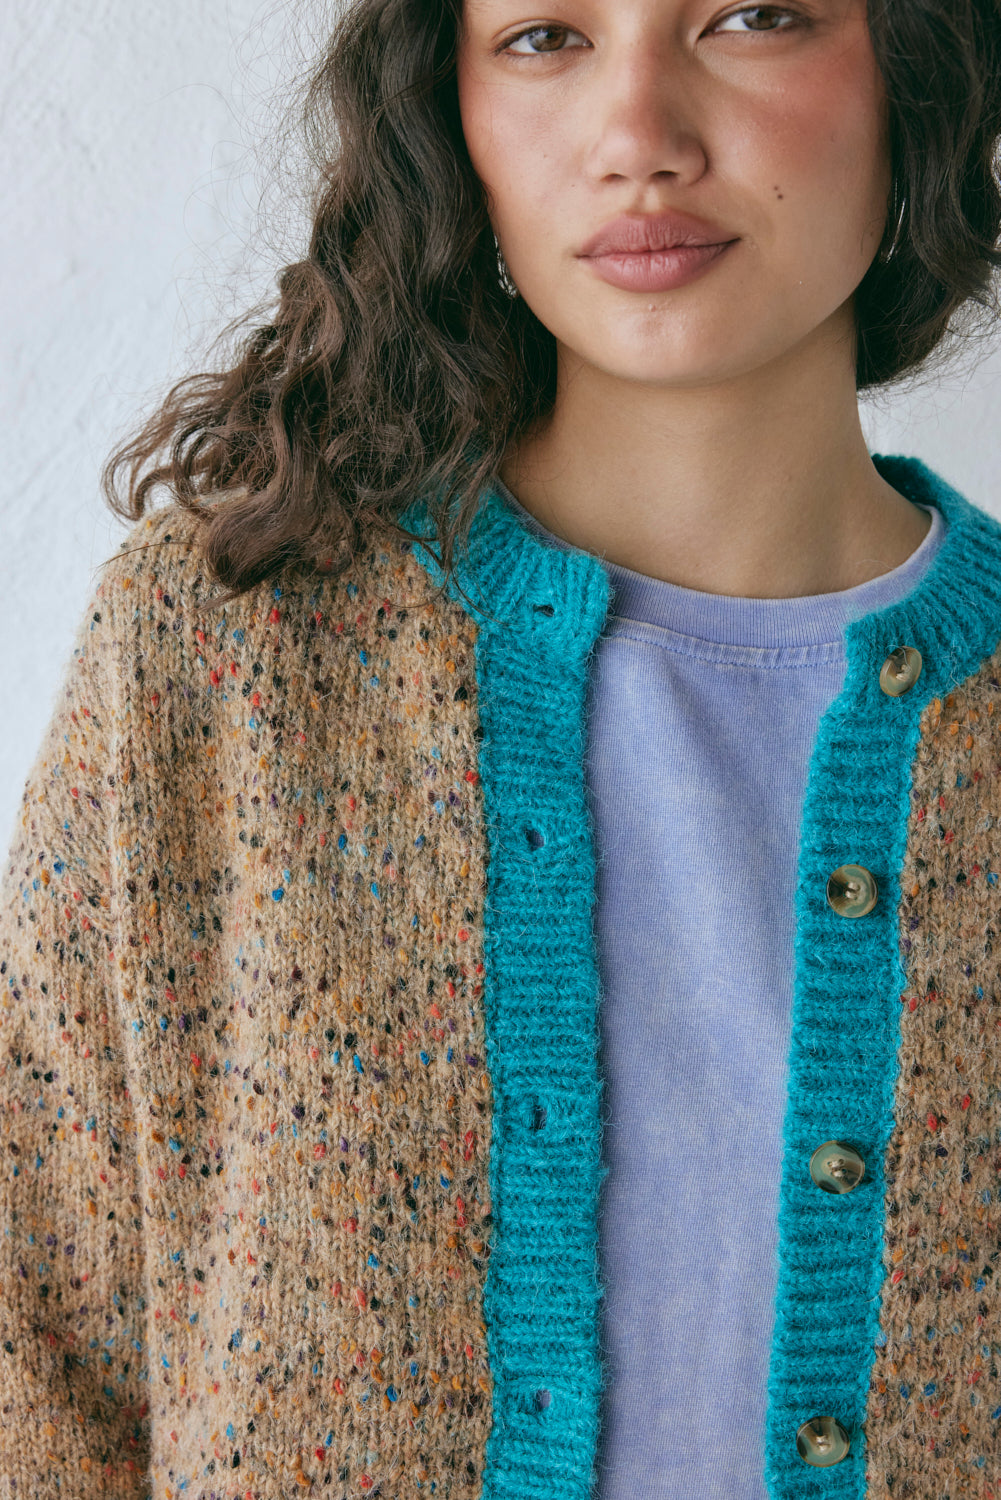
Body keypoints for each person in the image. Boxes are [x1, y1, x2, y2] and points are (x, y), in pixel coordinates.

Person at [2, 0, 1001, 1496]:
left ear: (915, 75)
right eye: (544, 36)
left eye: (753, 17)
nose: (638, 138)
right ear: (448, 112)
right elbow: (35, 1347)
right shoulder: (224, 647)